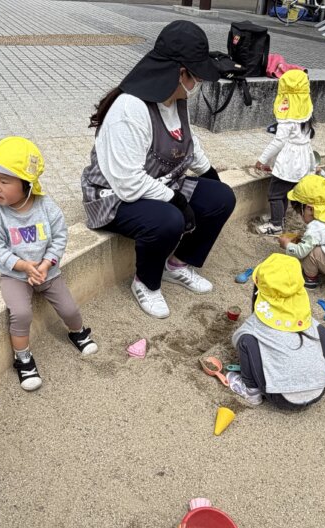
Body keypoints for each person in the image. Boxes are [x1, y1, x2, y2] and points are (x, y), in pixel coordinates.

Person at [81, 20, 236, 319]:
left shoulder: (175, 99)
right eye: (196, 76)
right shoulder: (130, 109)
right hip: (114, 196)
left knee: (221, 198)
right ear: (180, 73)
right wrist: (177, 201)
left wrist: (210, 177)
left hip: (157, 183)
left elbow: (190, 144)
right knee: (169, 219)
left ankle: (176, 265)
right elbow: (127, 183)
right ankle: (146, 283)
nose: (198, 83)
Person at [0, 136, 97, 392]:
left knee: (69, 308)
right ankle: (23, 359)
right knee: (21, 313)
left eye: (4, 181)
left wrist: (46, 264)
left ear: (27, 183)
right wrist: (22, 266)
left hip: (48, 271)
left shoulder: (47, 207)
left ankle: (77, 332)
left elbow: (60, 237)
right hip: (14, 275)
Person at [227, 253, 325, 410]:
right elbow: (324, 334)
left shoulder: (256, 323)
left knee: (246, 341)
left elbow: (237, 341)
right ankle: (316, 371)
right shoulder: (306, 319)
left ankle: (251, 392)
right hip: (319, 390)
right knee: (321, 331)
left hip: (281, 397)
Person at [254, 69, 315, 236]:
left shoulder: (288, 119)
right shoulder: (305, 115)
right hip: (301, 160)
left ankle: (276, 226)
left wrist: (262, 159)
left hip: (289, 163)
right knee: (284, 193)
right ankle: (278, 217)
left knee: (275, 194)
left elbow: (279, 142)